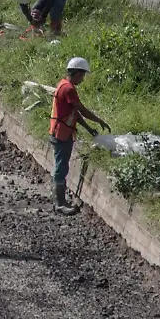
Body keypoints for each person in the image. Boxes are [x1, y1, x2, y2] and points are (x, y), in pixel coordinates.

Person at [49, 56, 109, 214]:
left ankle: (59, 201)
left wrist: (89, 128)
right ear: (78, 73)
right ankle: (59, 204)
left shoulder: (63, 85)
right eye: (83, 75)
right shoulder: (68, 89)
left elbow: (74, 113)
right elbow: (80, 109)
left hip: (62, 131)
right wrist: (99, 120)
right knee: (61, 168)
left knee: (61, 166)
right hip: (61, 133)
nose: (82, 79)